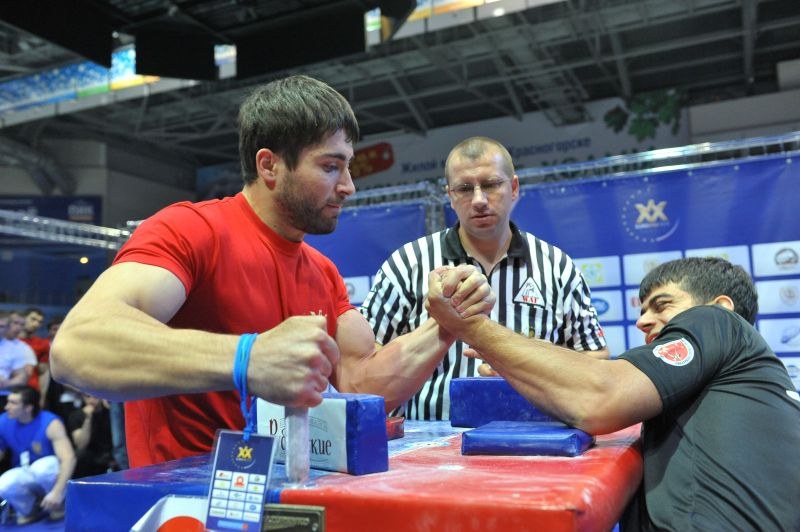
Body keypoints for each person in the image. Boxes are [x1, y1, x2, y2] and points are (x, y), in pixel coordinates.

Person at [50, 75, 493, 467]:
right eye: (330, 166)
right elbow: (77, 347)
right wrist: (247, 358)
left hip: (281, 503)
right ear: (269, 166)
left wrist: (444, 326)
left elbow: (361, 383)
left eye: (348, 167)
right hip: (186, 508)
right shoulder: (190, 229)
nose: (348, 186)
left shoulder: (322, 272)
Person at [426, 256, 800, 530]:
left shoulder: (718, 322)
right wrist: (520, 358)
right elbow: (596, 383)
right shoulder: (741, 384)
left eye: (663, 305)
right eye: (643, 309)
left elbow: (599, 398)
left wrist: (472, 326)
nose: (642, 320)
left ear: (720, 307)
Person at [360, 136, 608, 420]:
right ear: (450, 196)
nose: (478, 200)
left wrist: (537, 358)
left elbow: (595, 358)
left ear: (513, 188)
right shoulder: (407, 264)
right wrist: (438, 326)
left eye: (491, 185)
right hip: (428, 444)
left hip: (534, 437)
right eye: (465, 188)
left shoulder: (558, 267)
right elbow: (367, 365)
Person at [0, 386, 76, 524]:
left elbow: (68, 458)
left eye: (13, 403)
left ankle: (58, 504)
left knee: (43, 467)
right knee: (3, 483)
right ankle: (30, 510)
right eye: (7, 402)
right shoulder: (3, 421)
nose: (6, 407)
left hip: (51, 473)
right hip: (25, 471)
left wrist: (58, 492)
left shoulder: (51, 422)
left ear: (28, 407)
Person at [68, 393, 116, 478]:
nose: (92, 400)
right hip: (90, 458)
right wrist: (88, 418)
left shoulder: (110, 412)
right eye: (88, 396)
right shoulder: (76, 416)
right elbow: (81, 445)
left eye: (95, 396)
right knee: (80, 455)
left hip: (110, 454)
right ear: (83, 398)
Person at [0, 311, 37, 410]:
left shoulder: (16, 348)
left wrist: (6, 383)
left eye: (2, 326)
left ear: (7, 328)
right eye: (15, 323)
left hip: (3, 396)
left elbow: (23, 377)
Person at [19, 307, 51, 406]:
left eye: (40, 322)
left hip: (31, 392)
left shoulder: (43, 344)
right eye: (33, 319)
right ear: (23, 318)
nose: (36, 324)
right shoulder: (6, 342)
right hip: (7, 390)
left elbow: (44, 374)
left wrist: (42, 397)